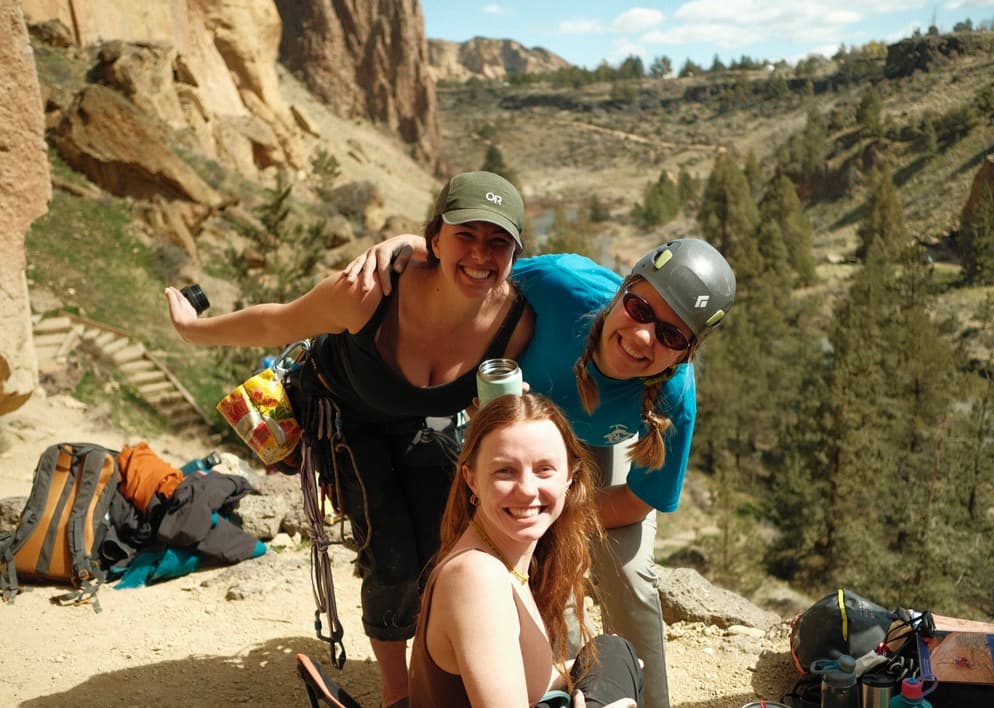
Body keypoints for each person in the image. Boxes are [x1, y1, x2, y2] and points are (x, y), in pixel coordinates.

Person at [165, 171, 534, 708]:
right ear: (435, 239)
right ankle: (397, 694)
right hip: (343, 417)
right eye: (466, 235)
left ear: (515, 253)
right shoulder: (370, 293)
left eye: (498, 241)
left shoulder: (513, 326)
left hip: (418, 425)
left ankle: (439, 674)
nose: (480, 253)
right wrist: (192, 329)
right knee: (392, 555)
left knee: (450, 543)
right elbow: (277, 323)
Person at [347, 236, 736, 708]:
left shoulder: (675, 399)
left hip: (594, 449)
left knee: (628, 573)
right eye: (639, 308)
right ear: (622, 290)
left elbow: (637, 501)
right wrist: (409, 245)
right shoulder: (562, 284)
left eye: (670, 336)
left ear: (685, 353)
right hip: (529, 437)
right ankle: (547, 679)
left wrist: (557, 514)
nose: (641, 336)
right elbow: (474, 269)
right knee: (530, 552)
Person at [409, 391, 642, 708]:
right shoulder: (477, 577)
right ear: (471, 479)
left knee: (613, 653)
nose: (527, 490)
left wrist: (612, 668)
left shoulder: (506, 561)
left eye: (544, 469)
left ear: (569, 478)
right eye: (504, 471)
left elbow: (522, 680)